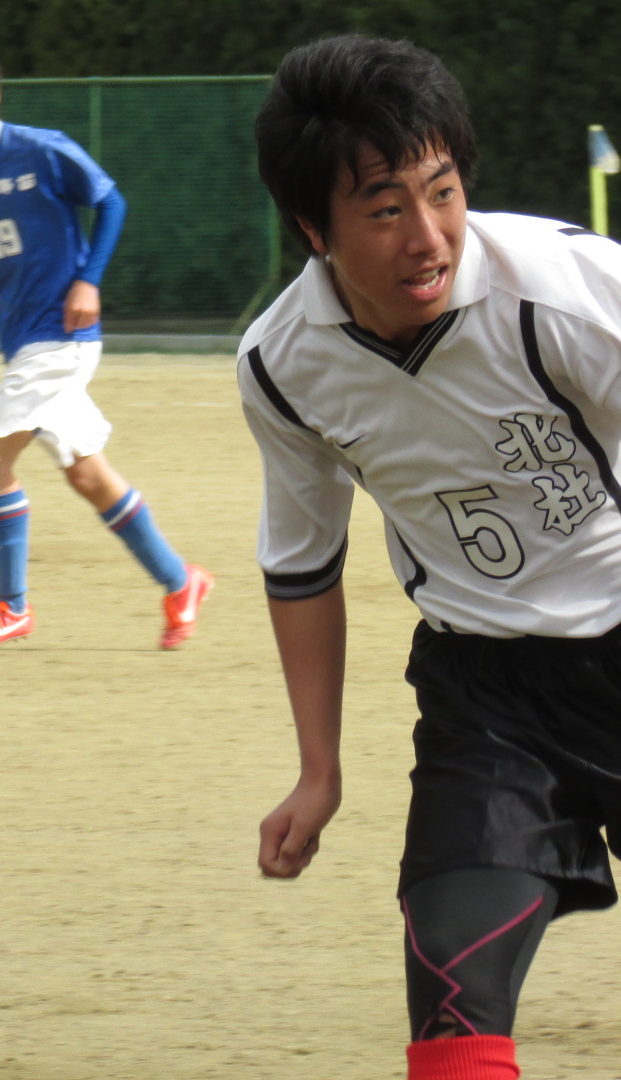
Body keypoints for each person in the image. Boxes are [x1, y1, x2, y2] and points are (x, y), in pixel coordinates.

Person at [243, 33, 621, 1080]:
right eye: (384, 208)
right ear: (314, 229)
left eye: (442, 190)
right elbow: (303, 564)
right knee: (452, 1016)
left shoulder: (568, 289)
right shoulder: (284, 366)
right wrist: (318, 772)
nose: (429, 235)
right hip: (487, 698)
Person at [0, 38, 212, 651]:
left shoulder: (42, 149)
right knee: (88, 476)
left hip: (62, 333)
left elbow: (111, 202)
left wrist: (89, 281)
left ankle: (11, 605)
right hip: (22, 337)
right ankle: (181, 582)